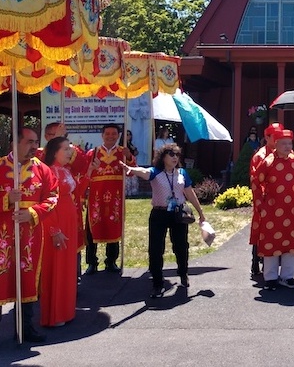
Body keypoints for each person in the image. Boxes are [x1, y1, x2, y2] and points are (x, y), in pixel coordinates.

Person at [122, 143, 206, 297]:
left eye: (177, 155)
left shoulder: (182, 173)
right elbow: (144, 172)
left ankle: (183, 273)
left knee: (181, 246)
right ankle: (157, 283)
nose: (175, 157)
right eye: (171, 154)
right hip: (159, 214)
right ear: (163, 157)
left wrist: (200, 212)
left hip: (178, 213)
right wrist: (132, 169)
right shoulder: (156, 172)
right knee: (155, 249)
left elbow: (190, 193)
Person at [0, 127, 59, 342]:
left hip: (30, 234)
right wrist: (6, 201)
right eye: (29, 142)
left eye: (36, 142)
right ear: (14, 143)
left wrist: (33, 212)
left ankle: (25, 327)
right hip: (2, 235)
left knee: (26, 277)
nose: (35, 146)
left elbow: (53, 197)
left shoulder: (43, 170)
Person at [250, 129, 294, 290]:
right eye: (283, 143)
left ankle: (287, 276)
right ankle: (270, 278)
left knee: (290, 243)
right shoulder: (268, 162)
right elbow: (256, 182)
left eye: (289, 143)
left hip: (291, 209)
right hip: (271, 209)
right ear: (275, 144)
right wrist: (260, 204)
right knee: (271, 242)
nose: (287, 146)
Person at [40, 137, 91, 327]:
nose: (70, 152)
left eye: (70, 148)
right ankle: (54, 314)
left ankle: (65, 311)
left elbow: (76, 194)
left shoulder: (64, 170)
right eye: (66, 149)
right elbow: (45, 203)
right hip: (57, 221)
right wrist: (54, 229)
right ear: (54, 151)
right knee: (57, 266)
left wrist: (88, 175)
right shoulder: (49, 172)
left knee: (67, 266)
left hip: (69, 219)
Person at [85, 124, 136, 274]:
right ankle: (91, 263)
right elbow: (85, 173)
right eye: (107, 133)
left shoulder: (123, 152)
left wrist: (129, 157)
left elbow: (132, 172)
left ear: (118, 136)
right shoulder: (93, 153)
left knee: (114, 225)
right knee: (92, 229)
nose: (110, 136)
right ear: (102, 135)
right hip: (96, 197)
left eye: (114, 134)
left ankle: (111, 261)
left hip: (116, 196)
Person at [248, 122, 284, 280]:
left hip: (281, 200)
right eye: (274, 136)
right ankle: (256, 261)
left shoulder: (283, 154)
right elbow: (256, 180)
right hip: (265, 199)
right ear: (267, 137)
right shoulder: (260, 156)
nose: (277, 140)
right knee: (261, 228)